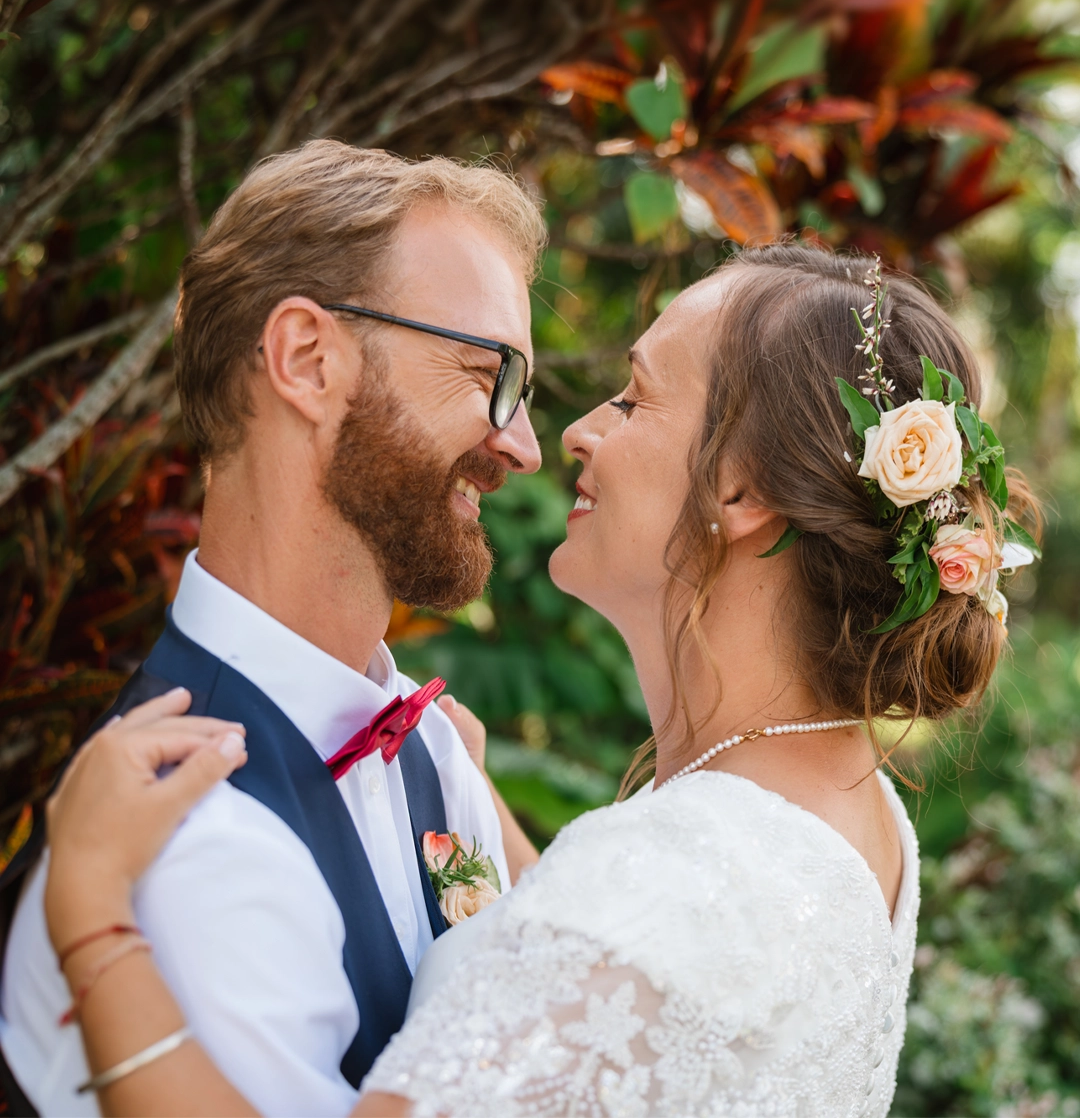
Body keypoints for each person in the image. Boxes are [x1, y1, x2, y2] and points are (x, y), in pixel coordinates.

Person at [33, 244, 1040, 1117]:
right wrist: (494, 824)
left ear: (743, 492)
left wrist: (90, 912)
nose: (571, 433)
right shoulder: (846, 816)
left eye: (635, 398)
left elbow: (632, 932)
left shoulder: (667, 882)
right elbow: (644, 1018)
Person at [0, 142, 548, 1116]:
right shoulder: (194, 845)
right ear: (306, 359)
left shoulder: (433, 745)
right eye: (488, 372)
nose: (523, 444)